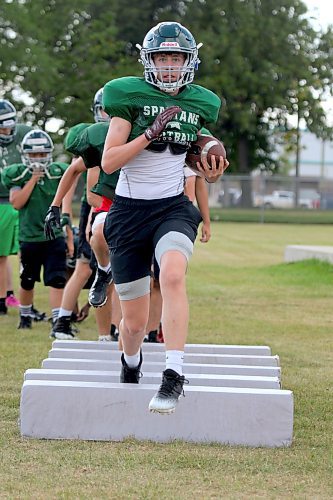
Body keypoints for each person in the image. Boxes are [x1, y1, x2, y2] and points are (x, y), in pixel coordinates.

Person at [101, 21, 228, 414]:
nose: (170, 66)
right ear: (149, 60)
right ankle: (131, 361)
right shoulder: (126, 96)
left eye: (177, 58)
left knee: (172, 275)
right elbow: (108, 162)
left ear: (189, 61)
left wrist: (209, 162)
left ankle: (173, 374)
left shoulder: (200, 101)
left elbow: (195, 151)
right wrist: (148, 135)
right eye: (162, 57)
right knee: (133, 325)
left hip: (172, 207)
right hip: (128, 212)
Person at [1, 129, 68, 330]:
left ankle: (57, 320)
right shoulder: (18, 174)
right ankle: (25, 316)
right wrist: (32, 179)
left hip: (54, 235)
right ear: (25, 155)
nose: (37, 159)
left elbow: (67, 192)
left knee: (56, 280)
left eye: (41, 154)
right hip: (29, 237)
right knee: (27, 280)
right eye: (33, 155)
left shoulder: (57, 172)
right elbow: (16, 203)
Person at [0, 99, 32, 315]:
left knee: (28, 252)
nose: (7, 129)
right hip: (2, 202)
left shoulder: (25, 134)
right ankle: (4, 298)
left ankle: (24, 302)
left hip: (27, 200)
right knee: (2, 255)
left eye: (9, 124)